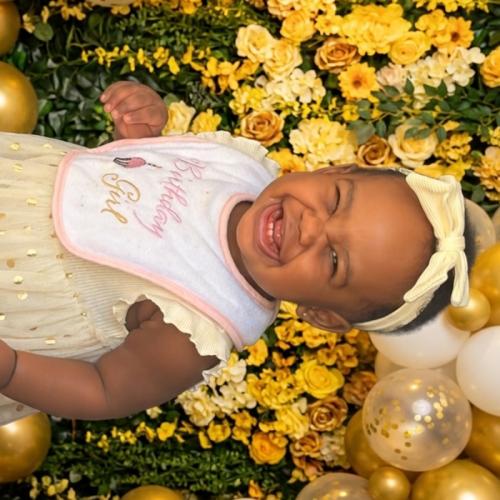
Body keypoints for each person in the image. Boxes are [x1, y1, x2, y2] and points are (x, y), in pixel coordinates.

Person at [0, 81, 474, 425]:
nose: (310, 226)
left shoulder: (199, 327)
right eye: (334, 200)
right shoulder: (238, 166)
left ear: (323, 315)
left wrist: (13, 369)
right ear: (336, 169)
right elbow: (138, 185)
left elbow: (105, 391)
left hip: (18, 298)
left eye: (333, 260)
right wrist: (140, 135)